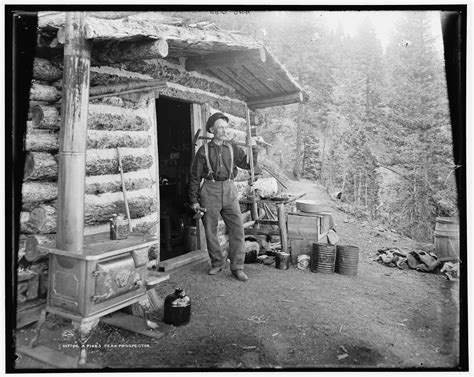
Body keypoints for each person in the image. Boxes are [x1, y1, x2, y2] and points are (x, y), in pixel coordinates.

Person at [189, 112, 260, 282]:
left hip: (229, 190)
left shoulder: (232, 147)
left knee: (237, 230)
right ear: (212, 129)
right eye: (219, 127)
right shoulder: (203, 150)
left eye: (225, 127)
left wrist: (254, 149)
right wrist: (194, 200)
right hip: (210, 190)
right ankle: (217, 263)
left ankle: (237, 267)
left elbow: (249, 165)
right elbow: (194, 177)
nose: (223, 130)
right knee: (210, 230)